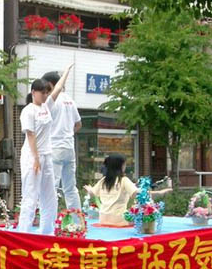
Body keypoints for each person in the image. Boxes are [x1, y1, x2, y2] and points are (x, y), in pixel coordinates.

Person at [17, 68, 71, 235]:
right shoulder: (28, 111)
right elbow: (30, 135)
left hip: (47, 155)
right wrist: (36, 158)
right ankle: (24, 232)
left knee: (50, 196)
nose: (45, 95)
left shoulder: (47, 107)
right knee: (31, 196)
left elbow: (58, 89)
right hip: (32, 157)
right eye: (42, 92)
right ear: (33, 92)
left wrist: (66, 72)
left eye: (47, 92)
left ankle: (47, 232)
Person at [83, 153, 172, 226]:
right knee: (143, 220)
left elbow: (92, 193)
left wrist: (89, 189)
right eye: (124, 164)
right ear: (120, 166)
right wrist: (160, 192)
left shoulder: (103, 181)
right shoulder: (124, 180)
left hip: (103, 218)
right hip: (119, 219)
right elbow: (139, 194)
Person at [42, 68, 81, 210]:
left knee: (51, 186)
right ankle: (77, 219)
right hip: (69, 147)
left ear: (51, 84)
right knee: (70, 188)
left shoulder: (50, 101)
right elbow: (78, 124)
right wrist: (67, 133)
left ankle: (50, 218)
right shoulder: (70, 100)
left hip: (54, 147)